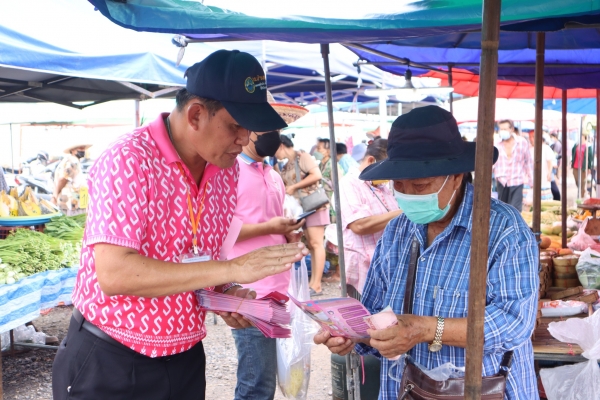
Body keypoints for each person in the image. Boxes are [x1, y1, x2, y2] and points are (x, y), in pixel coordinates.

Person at [52, 49, 309, 400]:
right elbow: (115, 274)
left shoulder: (227, 171)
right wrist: (231, 268)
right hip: (112, 356)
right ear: (196, 115)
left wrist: (227, 292)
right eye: (235, 125)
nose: (244, 138)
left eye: (249, 127)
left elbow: (204, 256)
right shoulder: (129, 159)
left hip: (184, 357)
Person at [315, 106, 539, 400]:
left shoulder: (503, 229)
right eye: (399, 185)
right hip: (404, 388)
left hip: (483, 389)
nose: (407, 194)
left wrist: (424, 329)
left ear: (456, 176)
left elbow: (515, 323)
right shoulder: (397, 232)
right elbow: (373, 313)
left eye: (420, 185)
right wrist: (350, 335)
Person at [228, 93, 309, 400]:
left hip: (278, 286)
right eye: (268, 127)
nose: (274, 134)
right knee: (257, 383)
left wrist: (287, 235)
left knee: (268, 378)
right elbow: (221, 232)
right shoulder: (229, 171)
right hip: (249, 290)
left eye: (277, 128)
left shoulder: (272, 175)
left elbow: (272, 223)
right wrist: (271, 228)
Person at [339, 138, 401, 296]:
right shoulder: (349, 184)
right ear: (371, 160)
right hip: (363, 268)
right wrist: (403, 212)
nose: (388, 177)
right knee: (364, 310)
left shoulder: (381, 186)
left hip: (385, 267)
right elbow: (359, 225)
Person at [275, 135, 329, 297]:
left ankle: (317, 285)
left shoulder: (303, 157)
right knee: (311, 245)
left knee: (316, 243)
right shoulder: (287, 164)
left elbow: (316, 175)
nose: (274, 154)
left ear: (281, 145)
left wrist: (295, 187)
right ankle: (313, 283)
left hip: (314, 205)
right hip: (303, 208)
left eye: (275, 149)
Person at [492, 119, 533, 211]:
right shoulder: (496, 144)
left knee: (515, 210)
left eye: (505, 129)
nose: (503, 131)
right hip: (502, 181)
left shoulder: (522, 142)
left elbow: (528, 162)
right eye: (501, 129)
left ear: (512, 129)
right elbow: (492, 162)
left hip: (517, 180)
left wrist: (532, 182)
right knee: (503, 210)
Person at [52, 144, 90, 209]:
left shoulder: (68, 160)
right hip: (70, 201)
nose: (83, 150)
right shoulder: (73, 162)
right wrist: (54, 197)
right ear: (73, 150)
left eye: (84, 148)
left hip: (70, 200)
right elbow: (63, 179)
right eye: (81, 148)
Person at [572, 132, 593, 198]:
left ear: (584, 137)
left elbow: (590, 157)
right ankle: (582, 191)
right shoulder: (576, 145)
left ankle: (580, 196)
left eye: (582, 136)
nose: (580, 137)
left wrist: (589, 167)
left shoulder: (588, 146)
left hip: (583, 167)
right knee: (577, 181)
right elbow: (573, 153)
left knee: (582, 182)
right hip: (575, 166)